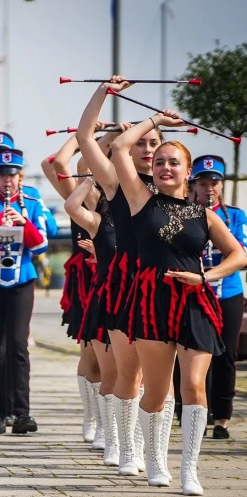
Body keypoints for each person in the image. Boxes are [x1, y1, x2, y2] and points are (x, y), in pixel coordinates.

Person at [105, 76, 247, 495]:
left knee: (194, 385)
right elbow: (116, 149)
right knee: (158, 387)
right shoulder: (139, 200)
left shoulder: (205, 215)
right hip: (150, 297)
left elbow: (239, 254)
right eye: (160, 161)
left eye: (174, 163)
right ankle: (155, 460)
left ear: (188, 172)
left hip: (195, 299)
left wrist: (206, 276)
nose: (165, 167)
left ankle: (190, 469)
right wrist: (155, 120)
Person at [77, 83, 162, 477]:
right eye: (142, 143)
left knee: (162, 379)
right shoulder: (117, 185)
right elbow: (83, 138)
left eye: (155, 144)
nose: (148, 150)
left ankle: (155, 456)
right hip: (124, 288)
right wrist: (103, 92)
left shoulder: (181, 193)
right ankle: (123, 444)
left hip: (168, 288)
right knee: (126, 373)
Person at [0, 150, 49, 435]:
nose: (7, 180)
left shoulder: (33, 203)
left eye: (12, 175)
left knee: (18, 346)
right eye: (2, 174)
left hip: (21, 280)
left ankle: (22, 412)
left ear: (20, 177)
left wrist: (23, 225)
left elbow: (40, 246)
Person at [41, 135, 107, 448]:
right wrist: (91, 135)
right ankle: (92, 415)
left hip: (123, 277)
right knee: (91, 353)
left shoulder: (132, 195)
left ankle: (113, 421)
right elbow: (52, 163)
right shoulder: (83, 194)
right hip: (87, 280)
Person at [190, 155, 247, 440]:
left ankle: (222, 417)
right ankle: (192, 409)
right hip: (193, 293)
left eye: (214, 182)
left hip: (229, 293)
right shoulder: (185, 213)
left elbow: (242, 255)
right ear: (194, 185)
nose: (209, 187)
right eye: (203, 182)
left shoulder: (235, 216)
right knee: (193, 352)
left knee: (226, 355)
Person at [65, 176, 119, 462]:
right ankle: (98, 422)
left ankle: (132, 443)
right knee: (98, 363)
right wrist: (92, 178)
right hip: (95, 289)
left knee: (138, 374)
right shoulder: (98, 210)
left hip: (140, 292)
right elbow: (57, 166)